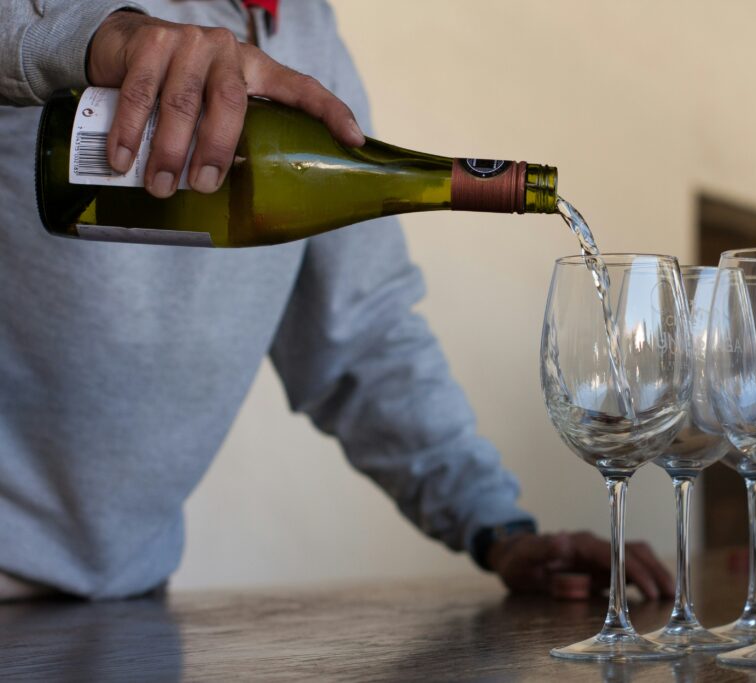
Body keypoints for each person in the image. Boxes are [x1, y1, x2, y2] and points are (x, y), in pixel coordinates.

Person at [0, 1, 672, 601]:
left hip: (125, 598)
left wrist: (498, 528)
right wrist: (90, 35)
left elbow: (363, 339)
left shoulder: (311, 41)